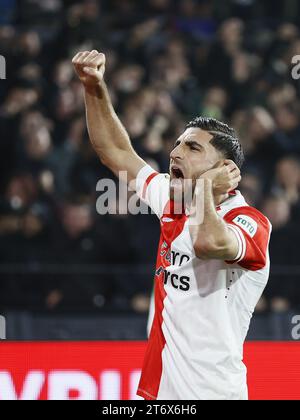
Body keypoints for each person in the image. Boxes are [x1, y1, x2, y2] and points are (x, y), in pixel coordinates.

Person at [72, 50, 272, 400]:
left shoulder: (249, 222)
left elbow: (207, 243)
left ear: (224, 168)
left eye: (192, 148)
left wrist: (208, 187)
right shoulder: (173, 198)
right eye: (177, 143)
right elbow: (115, 151)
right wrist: (94, 87)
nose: (175, 153)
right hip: (158, 391)